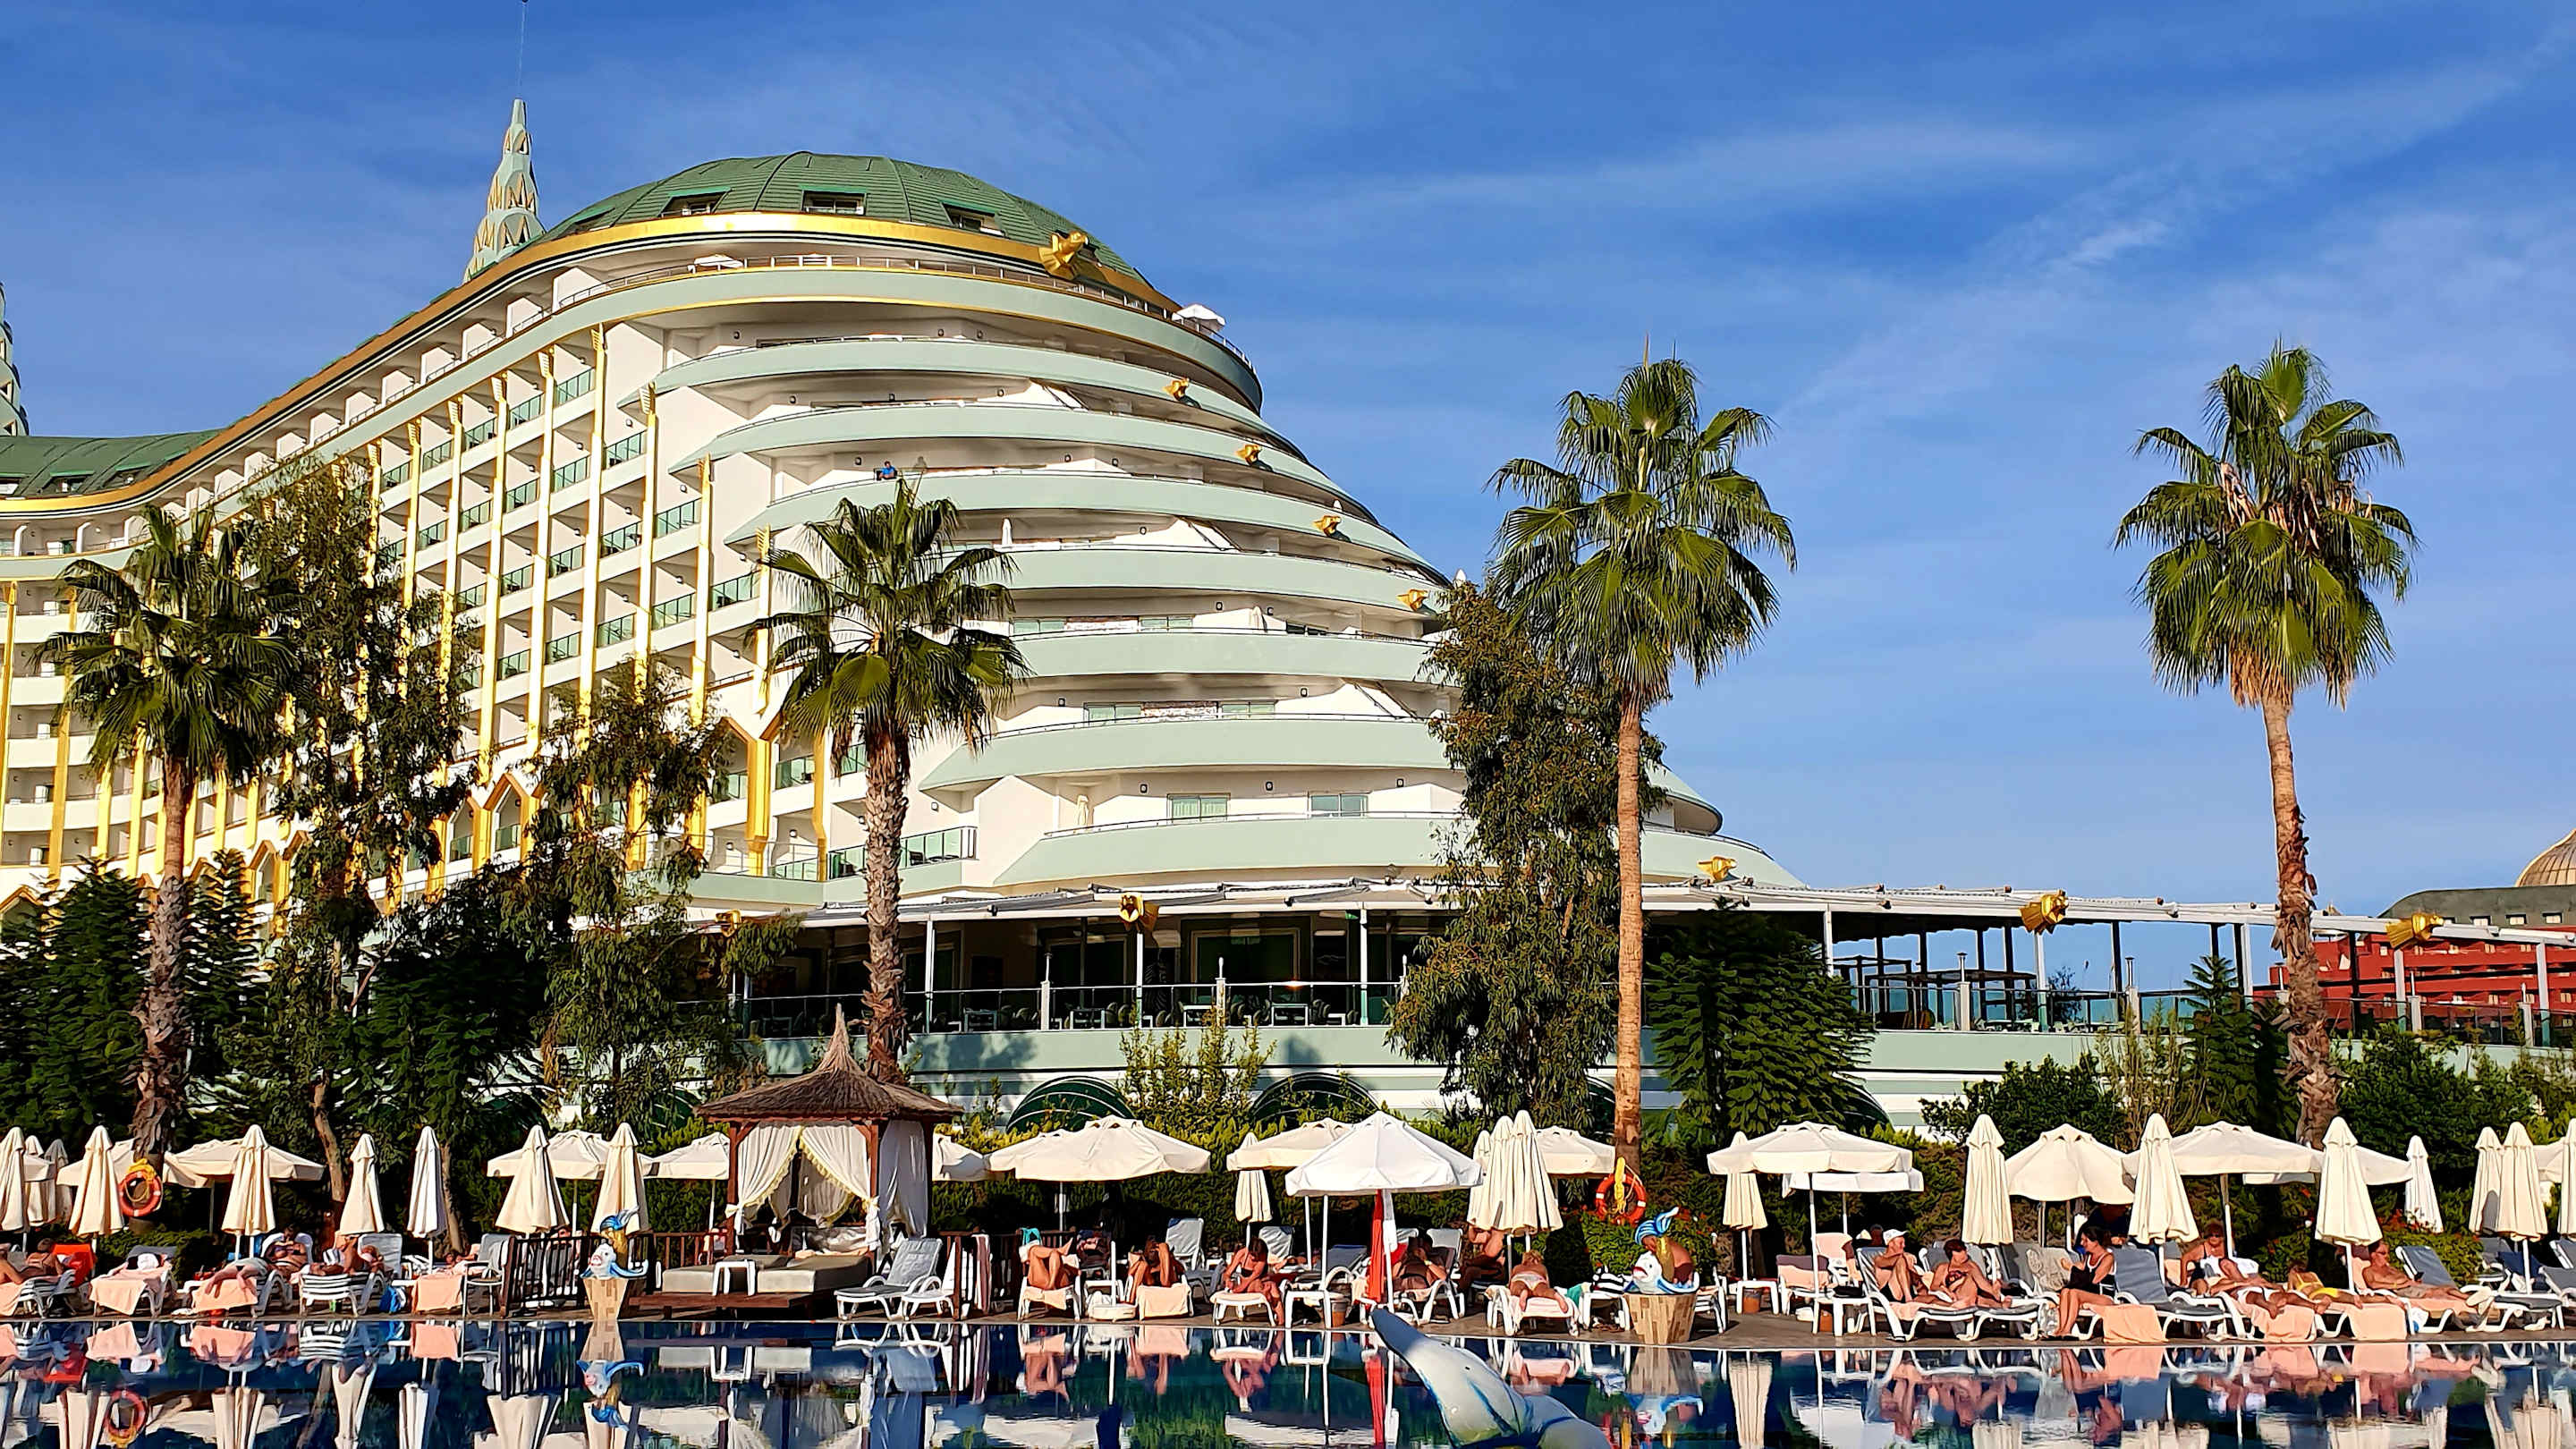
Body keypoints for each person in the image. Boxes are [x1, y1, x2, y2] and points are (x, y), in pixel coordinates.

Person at [2355, 1241, 2484, 1318]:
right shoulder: (2369, 1271)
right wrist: (2399, 1284)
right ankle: (2471, 1306)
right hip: (2401, 1291)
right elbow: (2374, 1285)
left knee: (2447, 1288)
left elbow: (2404, 1279)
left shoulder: (2390, 1268)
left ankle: (2472, 1299)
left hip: (2411, 1286)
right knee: (2437, 1294)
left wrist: (2412, 1281)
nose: (2387, 1256)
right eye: (2383, 1253)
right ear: (2373, 1255)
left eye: (2387, 1253)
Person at [2054, 1225, 2118, 1335]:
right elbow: (2079, 1270)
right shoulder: (2088, 1257)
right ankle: (2060, 1329)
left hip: (2104, 1298)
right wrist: (2068, 1266)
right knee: (2065, 1292)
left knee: (2074, 1293)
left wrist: (2072, 1269)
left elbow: (2094, 1280)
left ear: (2095, 1242)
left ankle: (2067, 1330)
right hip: (2089, 1295)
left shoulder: (2108, 1258)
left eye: (2085, 1240)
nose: (2082, 1243)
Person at [1223, 1234, 1289, 1322]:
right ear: (1248, 1250)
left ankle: (1282, 1321)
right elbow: (1227, 1273)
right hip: (1248, 1285)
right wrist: (1228, 1280)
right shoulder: (1242, 1254)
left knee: (1272, 1286)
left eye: (1257, 1256)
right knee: (1261, 1284)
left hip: (1257, 1282)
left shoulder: (1263, 1256)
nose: (1254, 1258)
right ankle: (1265, 1294)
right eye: (1252, 1255)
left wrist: (1238, 1289)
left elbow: (1254, 1275)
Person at [1929, 1240, 2008, 1309]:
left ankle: (1998, 1301)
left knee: (1981, 1299)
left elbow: (1982, 1282)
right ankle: (1993, 1293)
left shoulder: (1971, 1265)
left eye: (1964, 1250)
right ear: (1951, 1253)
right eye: (1959, 1251)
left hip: (1973, 1296)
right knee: (1971, 1275)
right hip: (1956, 1294)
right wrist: (1946, 1291)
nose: (1964, 1253)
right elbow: (1934, 1286)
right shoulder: (1943, 1267)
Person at [1504, 1249, 1573, 1321]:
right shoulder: (1541, 1267)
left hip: (1521, 1277)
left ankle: (1523, 1291)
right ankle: (1555, 1295)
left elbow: (1510, 1284)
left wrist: (1512, 1289)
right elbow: (1547, 1284)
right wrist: (1547, 1289)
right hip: (1537, 1278)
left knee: (1518, 1288)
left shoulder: (1517, 1267)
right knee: (1543, 1291)